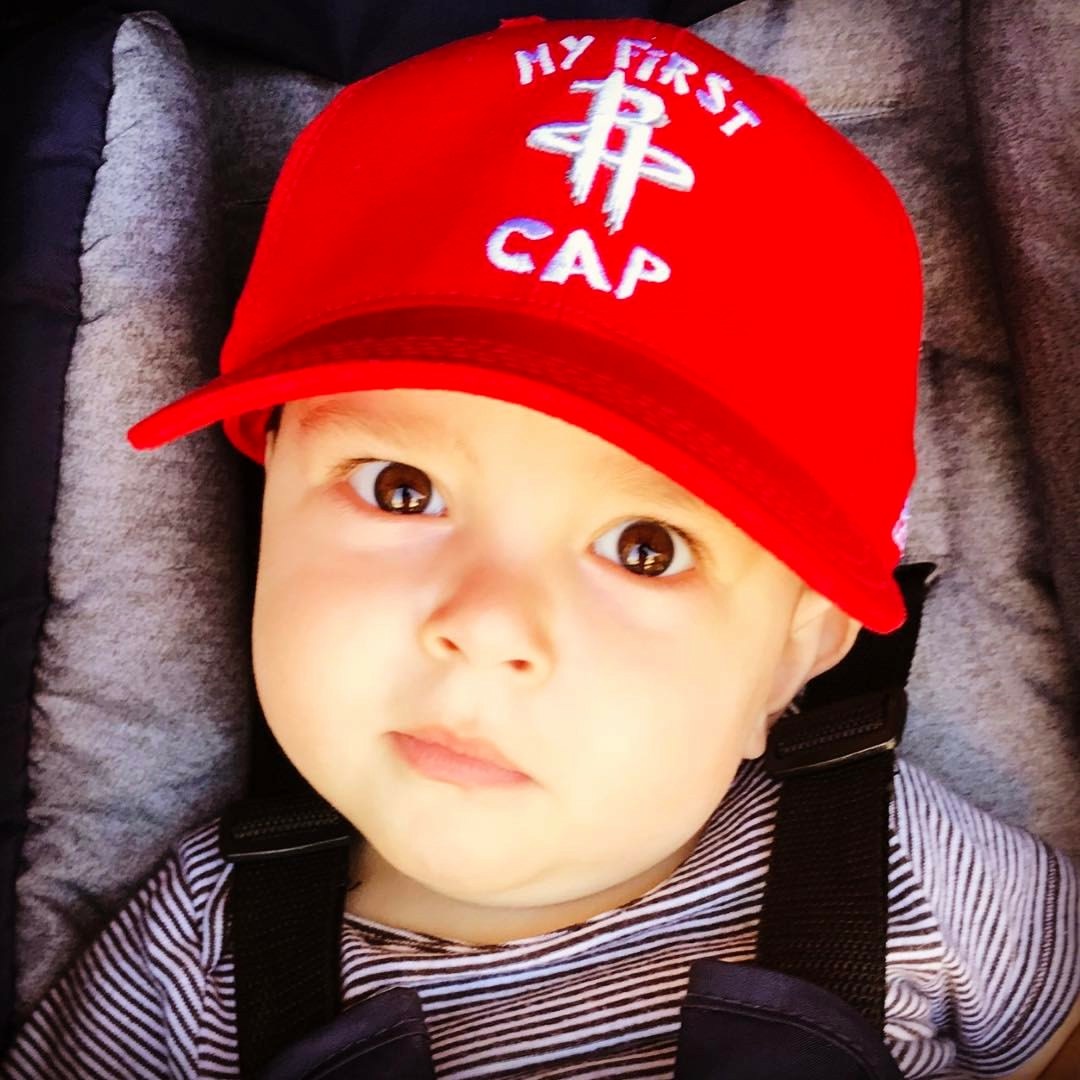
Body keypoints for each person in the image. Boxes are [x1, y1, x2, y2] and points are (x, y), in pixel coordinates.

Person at [3, 15, 1078, 1079]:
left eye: (646, 548)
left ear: (800, 650)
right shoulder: (193, 967)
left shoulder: (901, 868)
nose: (485, 623)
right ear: (268, 490)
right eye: (401, 490)